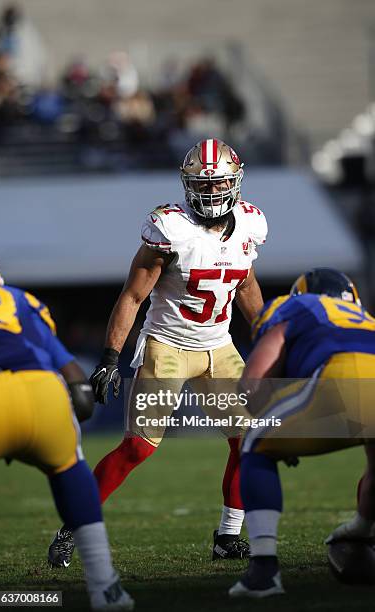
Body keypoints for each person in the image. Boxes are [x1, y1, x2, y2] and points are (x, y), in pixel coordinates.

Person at [48, 138, 268, 567]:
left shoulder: (250, 224)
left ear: (236, 183)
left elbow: (246, 285)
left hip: (219, 346)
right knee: (138, 448)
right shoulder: (170, 229)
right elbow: (132, 295)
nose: (210, 194)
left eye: (218, 184)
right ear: (187, 186)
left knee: (251, 442)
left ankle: (227, 537)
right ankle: (72, 526)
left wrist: (268, 335)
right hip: (168, 345)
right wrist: (111, 356)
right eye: (201, 186)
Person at [0, 262, 134, 611]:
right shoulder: (20, 299)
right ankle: (106, 587)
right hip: (42, 392)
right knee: (71, 469)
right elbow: (72, 374)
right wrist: (74, 410)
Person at [229, 267, 375, 599]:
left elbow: (253, 385)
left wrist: (278, 431)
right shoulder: (366, 318)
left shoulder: (294, 306)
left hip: (343, 375)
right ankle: (361, 532)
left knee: (254, 441)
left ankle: (263, 572)